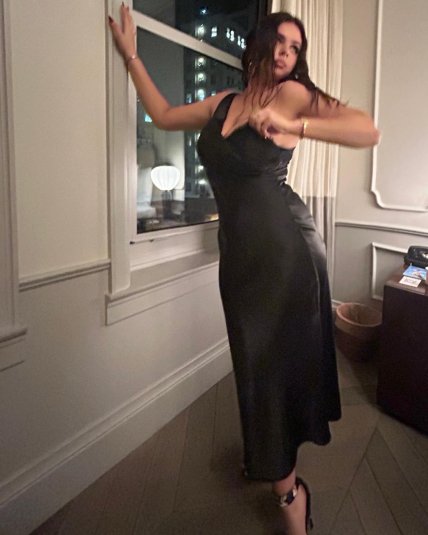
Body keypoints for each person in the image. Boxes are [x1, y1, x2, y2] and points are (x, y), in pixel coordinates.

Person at [109, 5, 379, 534]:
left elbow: (365, 129)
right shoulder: (222, 103)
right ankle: (270, 455)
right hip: (239, 256)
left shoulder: (293, 95)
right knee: (254, 366)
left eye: (296, 47)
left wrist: (294, 124)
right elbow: (162, 115)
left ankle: (290, 494)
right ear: (259, 42)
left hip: (284, 254)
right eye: (279, 40)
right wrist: (133, 56)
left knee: (270, 369)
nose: (286, 52)